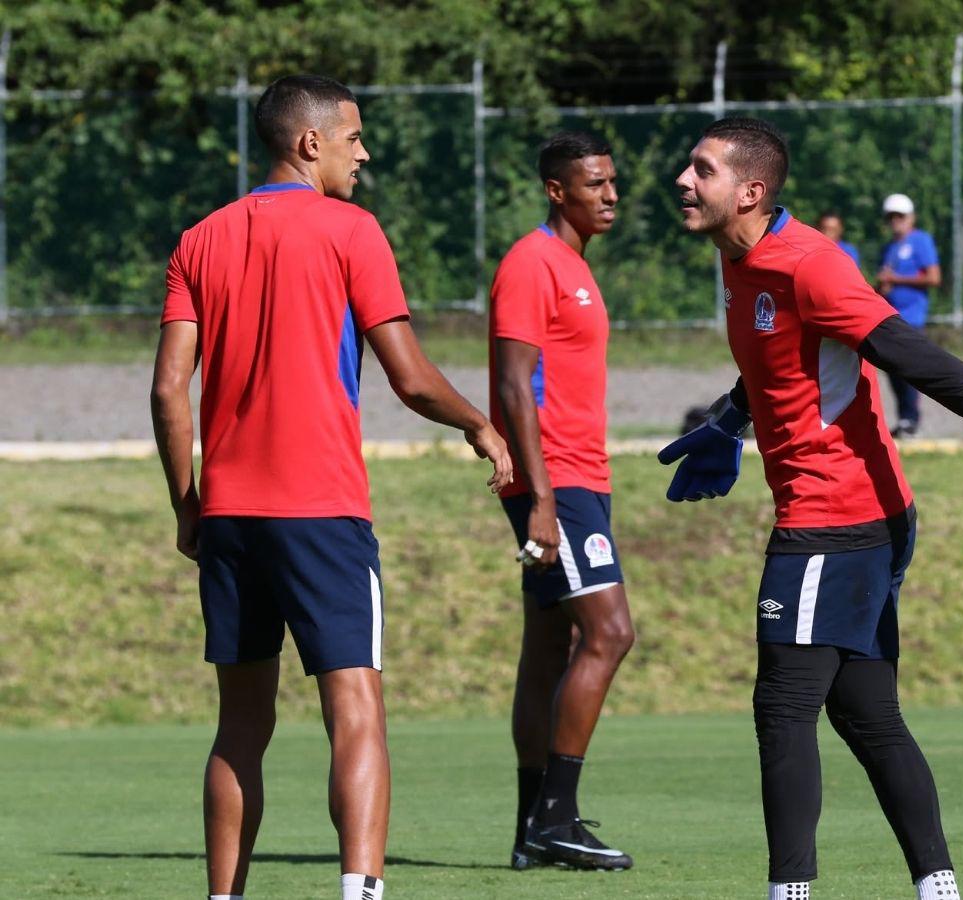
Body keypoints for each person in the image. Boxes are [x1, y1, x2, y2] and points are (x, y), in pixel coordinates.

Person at [663, 116, 963, 900]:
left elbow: (903, 349)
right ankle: (939, 888)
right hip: (860, 515)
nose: (682, 179)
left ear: (750, 191)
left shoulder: (811, 264)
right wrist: (729, 424)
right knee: (864, 712)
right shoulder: (742, 266)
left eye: (701, 169)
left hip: (835, 515)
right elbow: (778, 367)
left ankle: (791, 893)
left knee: (782, 702)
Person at [150, 74, 512, 900]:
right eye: (354, 137)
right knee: (356, 710)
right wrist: (478, 425)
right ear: (309, 142)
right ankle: (360, 893)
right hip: (322, 512)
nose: (365, 151)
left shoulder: (199, 237)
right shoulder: (352, 231)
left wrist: (187, 503)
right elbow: (411, 378)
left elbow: (170, 390)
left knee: (240, 724)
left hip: (232, 515)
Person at [488, 131, 635, 872]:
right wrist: (542, 499)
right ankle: (556, 816)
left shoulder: (573, 266)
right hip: (559, 483)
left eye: (613, 182)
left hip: (580, 479)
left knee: (550, 647)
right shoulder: (530, 262)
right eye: (595, 183)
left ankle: (529, 829)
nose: (610, 194)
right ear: (557, 190)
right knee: (610, 633)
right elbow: (515, 385)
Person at [876, 193, 941, 437]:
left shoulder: (920, 241)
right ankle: (904, 419)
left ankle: (911, 419)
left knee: (908, 369)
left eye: (900, 216)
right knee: (892, 371)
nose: (896, 221)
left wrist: (896, 279)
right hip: (888, 316)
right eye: (891, 216)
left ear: (911, 218)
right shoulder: (889, 248)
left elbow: (933, 277)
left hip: (911, 317)